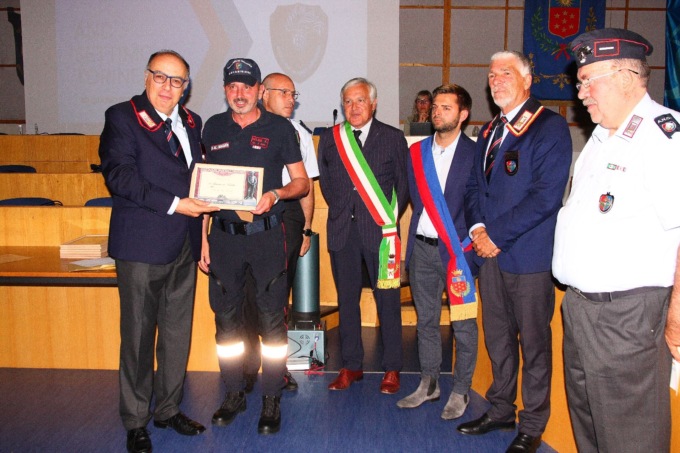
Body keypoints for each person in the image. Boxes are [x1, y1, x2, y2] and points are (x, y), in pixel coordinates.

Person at [553, 28, 680, 452]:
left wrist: (677, 315)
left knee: (631, 437)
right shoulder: (601, 137)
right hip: (582, 311)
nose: (580, 92)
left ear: (627, 78)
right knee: (591, 431)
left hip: (626, 316)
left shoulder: (663, 136)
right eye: (580, 82)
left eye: (589, 80)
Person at [99, 49, 219, 453]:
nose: (168, 87)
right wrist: (176, 204)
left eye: (177, 80)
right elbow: (119, 176)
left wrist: (203, 233)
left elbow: (199, 180)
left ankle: (168, 409)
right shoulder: (122, 116)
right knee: (137, 337)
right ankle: (136, 420)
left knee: (176, 333)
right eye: (161, 77)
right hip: (141, 244)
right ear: (146, 76)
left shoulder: (192, 121)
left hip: (184, 244)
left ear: (186, 87)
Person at [459, 50, 572, 453]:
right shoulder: (489, 130)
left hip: (529, 258)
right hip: (490, 255)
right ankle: (501, 409)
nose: (496, 81)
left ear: (527, 79)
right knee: (499, 339)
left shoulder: (549, 127)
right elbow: (475, 188)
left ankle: (533, 424)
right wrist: (477, 229)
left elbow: (546, 197)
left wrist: (495, 235)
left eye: (506, 73)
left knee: (534, 345)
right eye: (492, 75)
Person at [199, 58, 308, 435]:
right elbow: (203, 189)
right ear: (225, 89)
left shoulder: (279, 128)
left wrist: (276, 194)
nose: (239, 93)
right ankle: (233, 393)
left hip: (266, 238)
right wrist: (202, 239)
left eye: (247, 86)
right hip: (223, 239)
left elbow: (302, 183)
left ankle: (271, 397)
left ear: (259, 90)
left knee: (271, 320)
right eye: (232, 86)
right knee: (226, 321)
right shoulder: (212, 127)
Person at [318, 77, 409, 394]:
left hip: (381, 235)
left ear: (373, 103)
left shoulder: (393, 137)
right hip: (343, 232)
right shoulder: (331, 139)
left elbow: (403, 187)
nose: (353, 107)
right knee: (347, 301)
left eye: (360, 100)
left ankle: (392, 368)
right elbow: (327, 184)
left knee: (388, 302)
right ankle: (351, 365)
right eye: (348, 101)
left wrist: (386, 220)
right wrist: (346, 210)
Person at [397, 84, 479, 421]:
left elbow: (481, 204)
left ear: (463, 114)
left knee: (463, 324)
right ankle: (428, 383)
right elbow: (408, 199)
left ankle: (461, 389)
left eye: (446, 107)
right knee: (426, 321)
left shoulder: (476, 154)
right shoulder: (416, 152)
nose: (437, 112)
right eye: (435, 107)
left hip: (458, 252)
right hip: (421, 249)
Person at [241, 72, 320, 393]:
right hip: (247, 214)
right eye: (284, 93)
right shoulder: (243, 126)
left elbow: (307, 186)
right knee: (246, 293)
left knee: (277, 295)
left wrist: (307, 230)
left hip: (287, 216)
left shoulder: (299, 134)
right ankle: (247, 368)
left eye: (293, 94)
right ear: (263, 94)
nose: (291, 99)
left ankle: (280, 369)